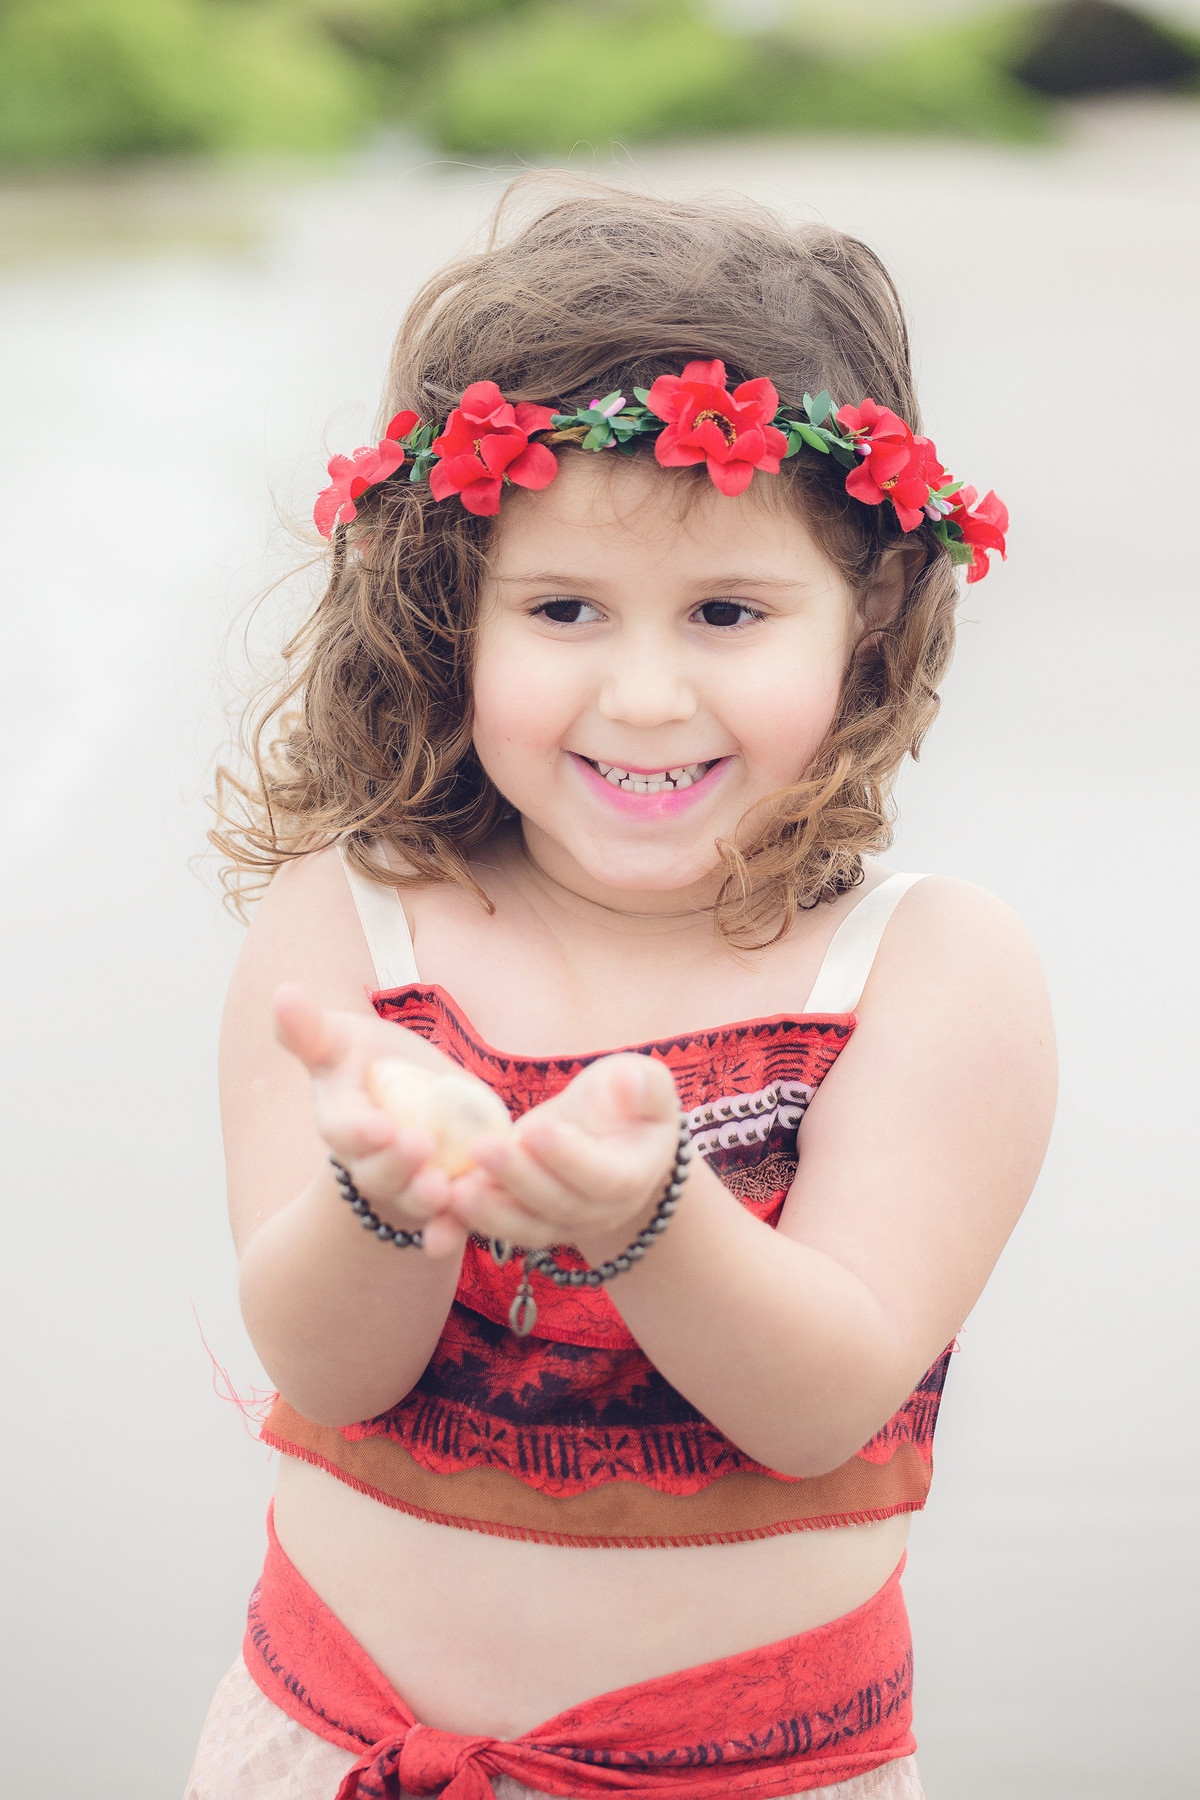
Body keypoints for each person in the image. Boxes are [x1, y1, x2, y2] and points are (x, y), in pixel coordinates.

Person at [189, 183, 1055, 1800]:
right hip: (328, 1745)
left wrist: (649, 1211)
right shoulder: (355, 933)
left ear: (864, 624)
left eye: (728, 612)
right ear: (452, 616)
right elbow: (329, 1374)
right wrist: (382, 1197)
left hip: (746, 1775)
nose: (645, 694)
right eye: (564, 608)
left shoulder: (928, 972)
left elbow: (822, 1403)